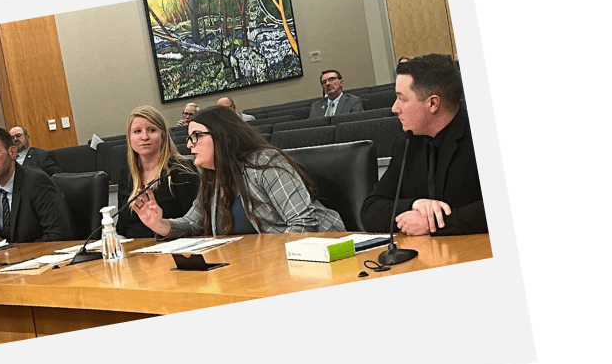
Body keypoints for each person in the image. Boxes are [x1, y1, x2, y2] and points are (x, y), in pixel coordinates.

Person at [133, 106, 344, 238]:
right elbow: (191, 223)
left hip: (318, 255)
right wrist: (158, 224)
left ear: (221, 136)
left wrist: (272, 261)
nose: (189, 145)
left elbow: (303, 222)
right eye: (189, 138)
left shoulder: (264, 163)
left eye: (196, 136)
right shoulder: (212, 177)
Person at [360, 54, 486, 236]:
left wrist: (435, 223)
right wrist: (414, 204)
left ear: (433, 103)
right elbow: (370, 211)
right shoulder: (405, 144)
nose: (394, 108)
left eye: (402, 99)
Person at [0, 127, 73, 246]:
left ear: (12, 152)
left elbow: (60, 235)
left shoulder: (37, 182)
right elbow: (3, 239)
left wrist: (14, 250)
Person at [116, 106, 199, 238]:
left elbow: (194, 224)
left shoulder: (182, 170)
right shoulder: (127, 174)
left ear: (163, 135)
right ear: (129, 138)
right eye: (137, 131)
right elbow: (122, 229)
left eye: (152, 130)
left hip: (174, 246)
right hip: (135, 252)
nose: (144, 137)